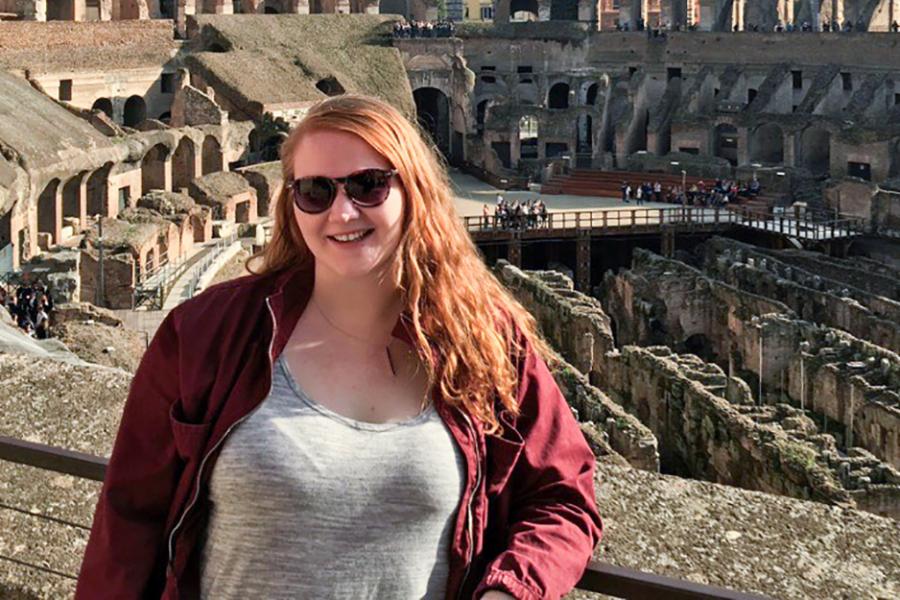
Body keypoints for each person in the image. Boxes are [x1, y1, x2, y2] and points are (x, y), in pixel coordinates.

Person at [75, 94, 602, 600]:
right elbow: (127, 524)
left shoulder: (485, 339)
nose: (342, 212)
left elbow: (564, 497)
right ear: (293, 204)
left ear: (412, 191)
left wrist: (511, 589)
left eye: (369, 185)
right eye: (316, 191)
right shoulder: (204, 333)